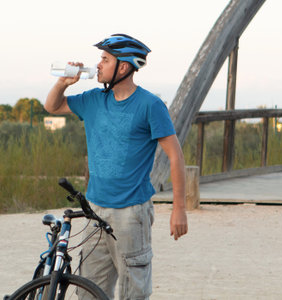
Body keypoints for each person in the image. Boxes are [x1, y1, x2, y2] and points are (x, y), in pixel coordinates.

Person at [45, 33, 188, 299]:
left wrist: (179, 209)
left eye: (105, 59)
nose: (98, 64)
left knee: (133, 292)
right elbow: (52, 106)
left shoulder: (150, 105)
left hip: (132, 213)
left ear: (123, 67)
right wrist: (63, 83)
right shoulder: (93, 100)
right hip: (94, 210)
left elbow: (175, 155)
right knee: (88, 291)